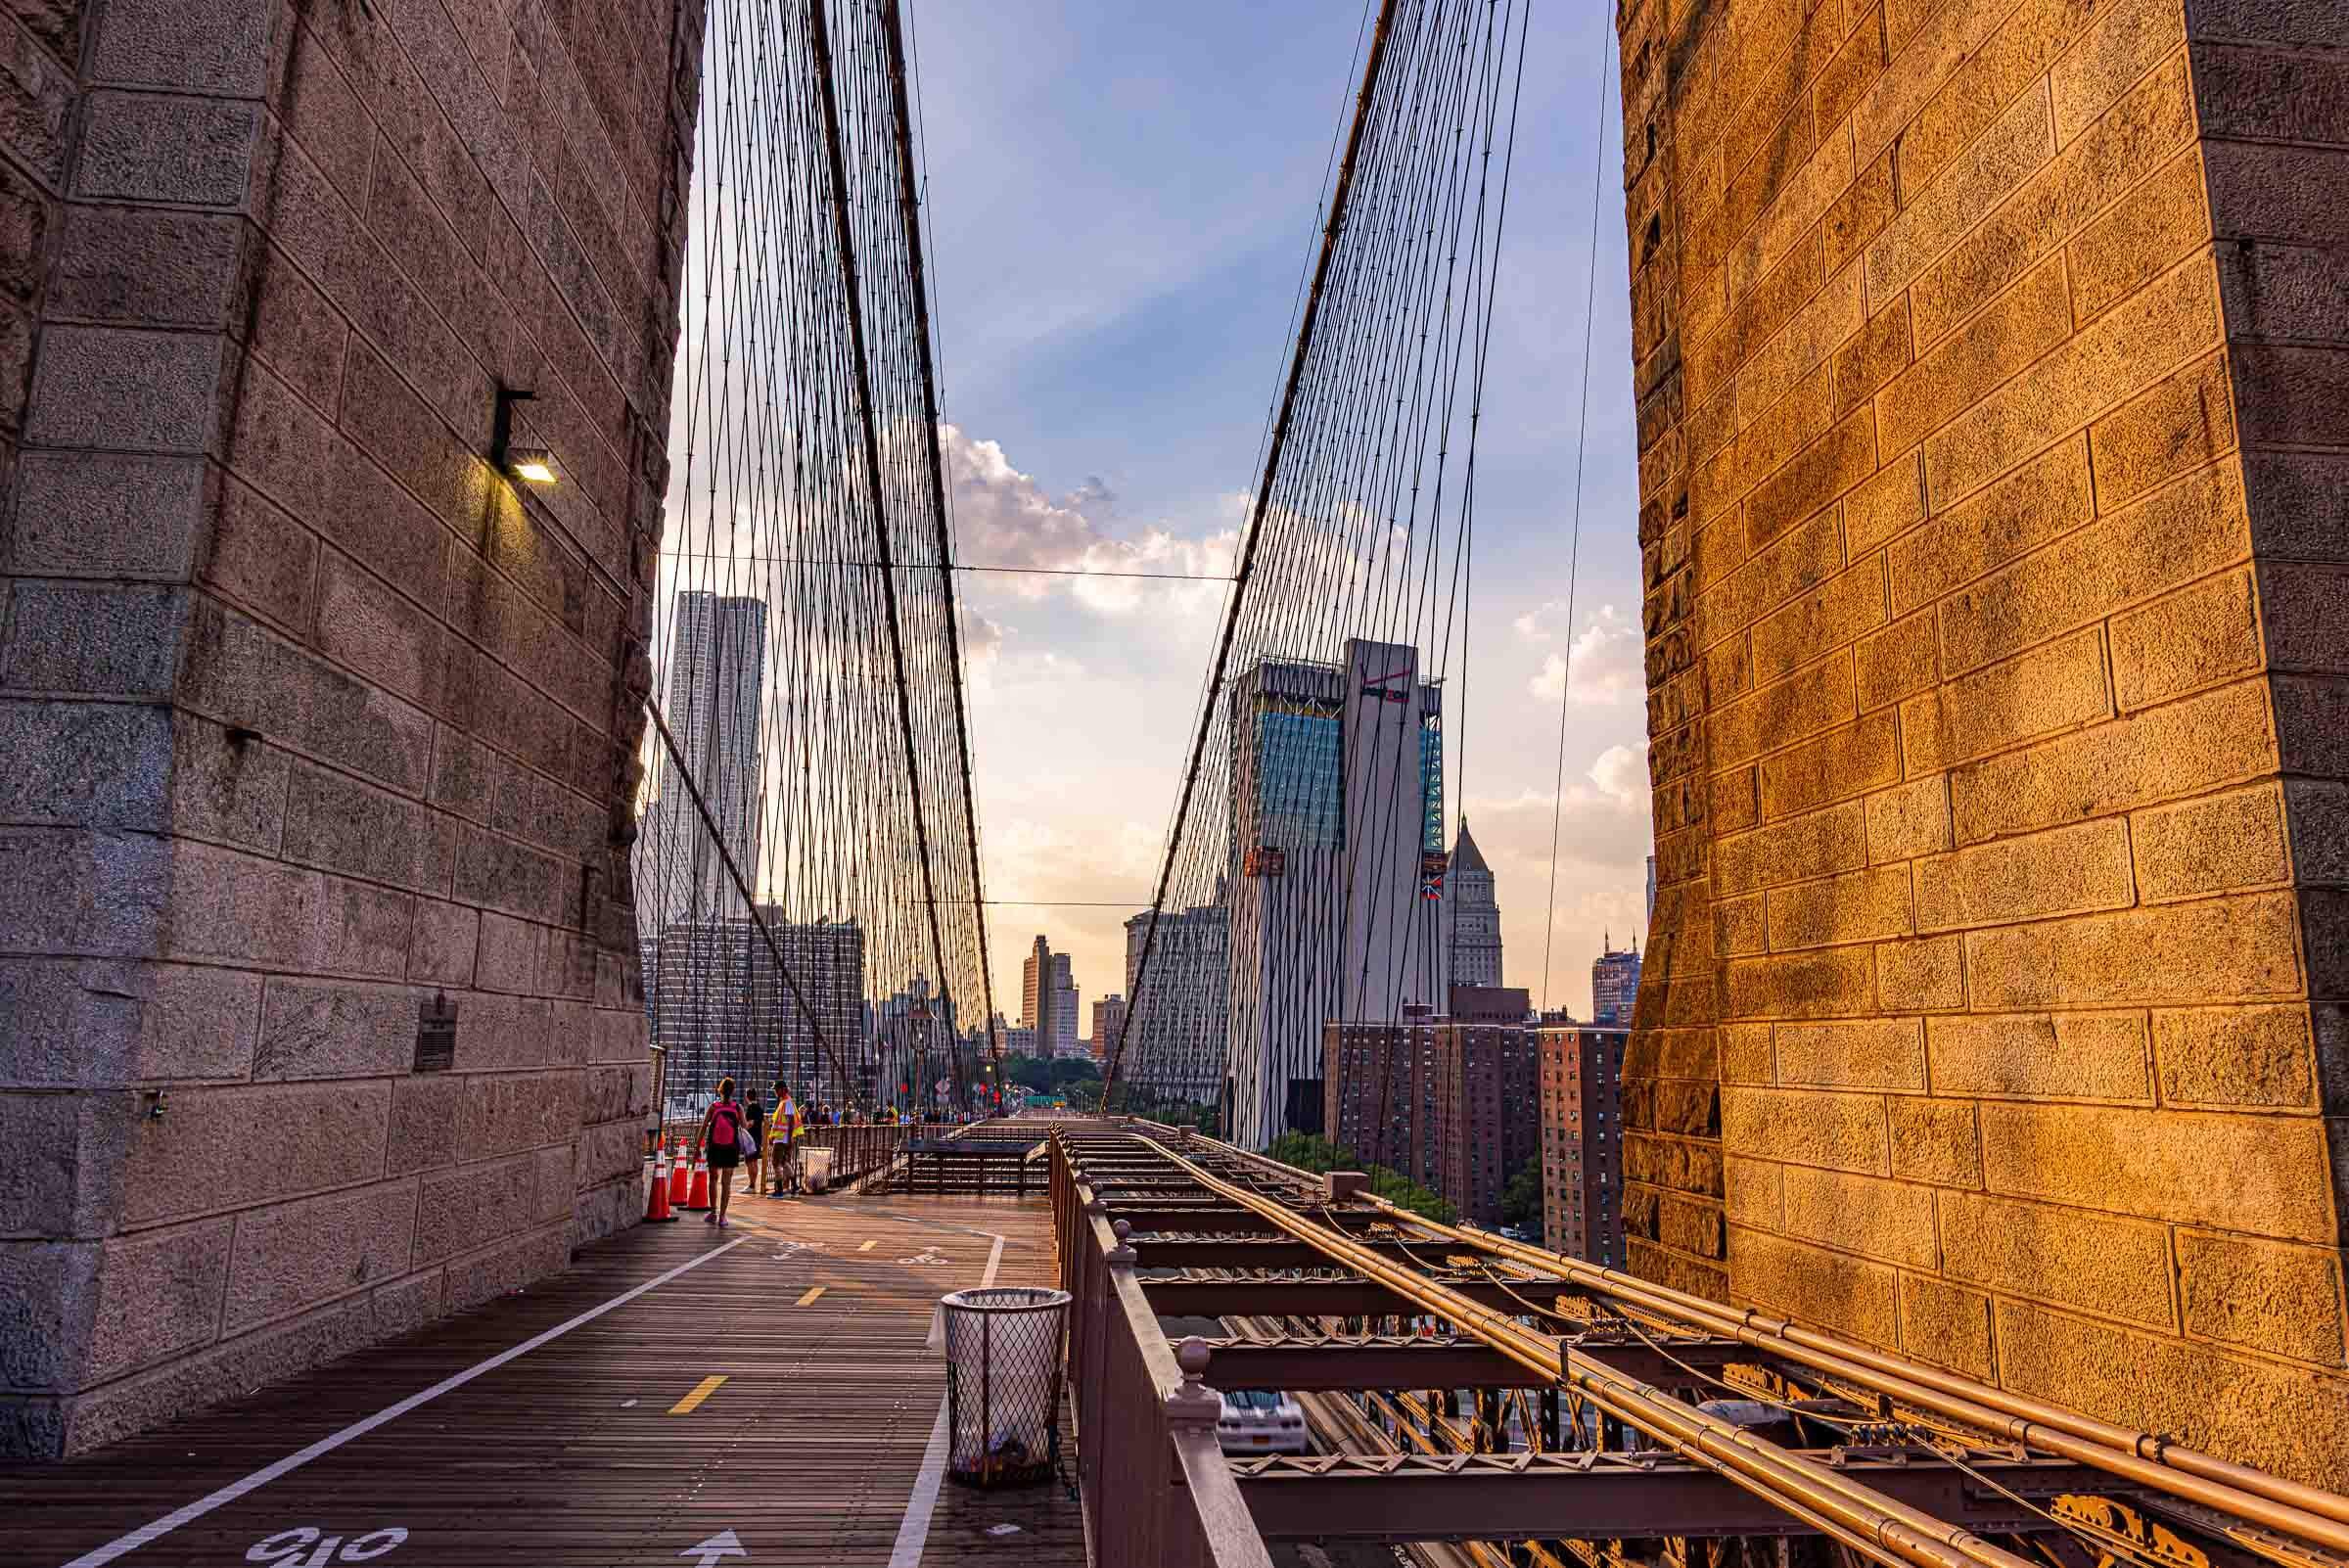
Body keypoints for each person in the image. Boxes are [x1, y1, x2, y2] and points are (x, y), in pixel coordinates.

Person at [700, 1077, 747, 1227]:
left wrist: (697, 1149)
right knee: (726, 1182)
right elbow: (744, 1127)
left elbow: (703, 1128)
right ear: (733, 1091)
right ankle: (723, 1217)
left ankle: (713, 1213)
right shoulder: (737, 1107)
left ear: (719, 1090)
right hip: (730, 1147)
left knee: (713, 1179)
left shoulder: (713, 1107)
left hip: (714, 1146)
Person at [741, 1086, 766, 1200]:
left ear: (747, 1097)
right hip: (758, 1137)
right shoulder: (760, 1109)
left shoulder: (751, 1108)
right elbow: (760, 1123)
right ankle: (753, 1185)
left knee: (749, 1161)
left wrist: (742, 1126)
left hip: (750, 1138)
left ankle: (751, 1185)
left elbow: (749, 1123)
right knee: (754, 1161)